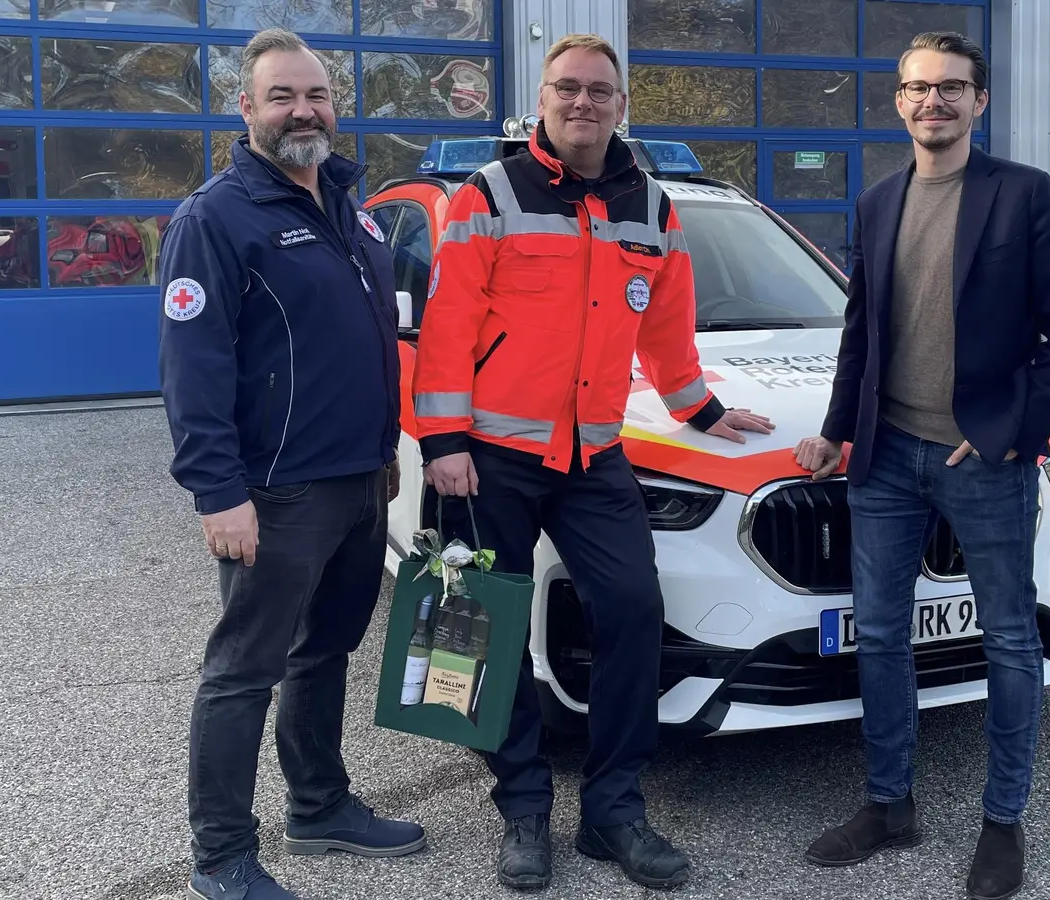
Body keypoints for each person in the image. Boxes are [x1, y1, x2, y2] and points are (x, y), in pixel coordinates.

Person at [410, 32, 774, 893]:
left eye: (598, 90)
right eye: (566, 88)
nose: (582, 102)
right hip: (495, 454)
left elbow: (666, 328)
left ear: (621, 105)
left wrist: (701, 409)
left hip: (594, 453)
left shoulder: (651, 207)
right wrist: (444, 441)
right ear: (542, 99)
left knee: (633, 611)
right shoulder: (487, 196)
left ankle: (613, 810)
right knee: (492, 630)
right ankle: (524, 807)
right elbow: (449, 322)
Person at [792, 31, 1050, 900]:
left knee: (1007, 639)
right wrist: (836, 429)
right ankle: (890, 806)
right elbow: (861, 331)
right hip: (884, 458)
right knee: (881, 635)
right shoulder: (878, 201)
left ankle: (1004, 822)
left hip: (982, 458)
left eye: (953, 89)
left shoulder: (1023, 196)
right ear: (899, 101)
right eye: (920, 89)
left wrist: (1013, 433)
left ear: (980, 102)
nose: (936, 102)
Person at [156, 27, 424, 900]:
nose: (302, 110)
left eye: (314, 95)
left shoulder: (352, 208)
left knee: (326, 652)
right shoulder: (215, 217)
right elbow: (193, 366)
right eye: (282, 95)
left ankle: (319, 807)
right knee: (244, 673)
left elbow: (371, 345)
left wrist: (383, 455)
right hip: (273, 495)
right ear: (246, 108)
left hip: (358, 482)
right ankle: (222, 854)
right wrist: (217, 493)